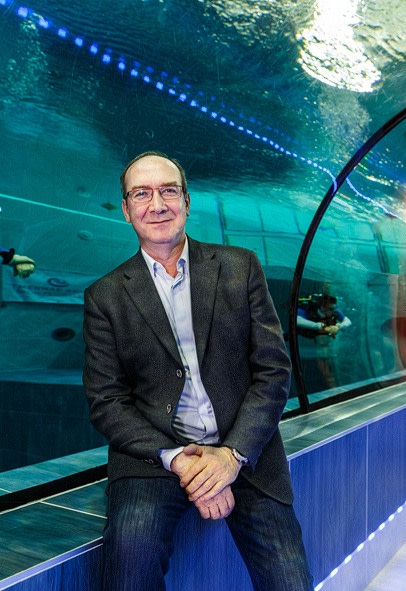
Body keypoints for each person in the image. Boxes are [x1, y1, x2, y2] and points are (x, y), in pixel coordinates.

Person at [83, 151, 313, 591]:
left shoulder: (239, 266)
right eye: (142, 194)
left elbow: (273, 372)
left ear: (187, 202)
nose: (158, 204)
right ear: (127, 209)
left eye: (169, 190)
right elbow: (107, 402)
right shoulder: (105, 296)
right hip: (154, 458)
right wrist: (184, 464)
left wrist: (230, 456)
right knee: (128, 567)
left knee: (290, 581)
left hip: (245, 450)